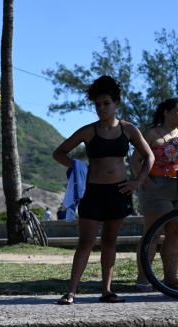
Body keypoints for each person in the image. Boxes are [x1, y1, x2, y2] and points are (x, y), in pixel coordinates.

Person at [52, 76, 153, 305]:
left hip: (119, 191)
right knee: (86, 241)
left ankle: (107, 291)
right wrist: (79, 166)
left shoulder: (129, 129)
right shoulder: (88, 131)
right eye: (97, 104)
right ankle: (71, 292)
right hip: (92, 192)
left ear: (116, 104)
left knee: (109, 241)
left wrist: (138, 182)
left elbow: (149, 156)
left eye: (106, 103)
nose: (101, 108)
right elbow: (59, 153)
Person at [129, 98, 178, 291]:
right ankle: (143, 279)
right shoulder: (151, 134)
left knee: (175, 233)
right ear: (166, 112)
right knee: (154, 233)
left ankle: (171, 280)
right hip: (156, 187)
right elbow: (135, 160)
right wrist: (147, 182)